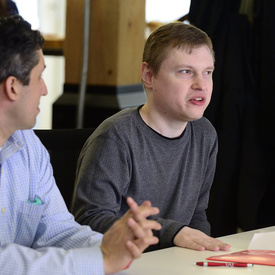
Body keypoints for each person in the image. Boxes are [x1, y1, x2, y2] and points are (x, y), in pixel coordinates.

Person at [0, 15, 161, 274]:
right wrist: (103, 259)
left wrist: (115, 245)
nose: (44, 90)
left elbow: (58, 232)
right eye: (40, 76)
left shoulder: (29, 145)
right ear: (12, 87)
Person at [71, 22, 231, 252]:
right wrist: (171, 232)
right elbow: (89, 221)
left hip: (174, 264)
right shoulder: (115, 138)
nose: (201, 85)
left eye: (207, 72)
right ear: (149, 75)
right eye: (186, 72)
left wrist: (203, 255)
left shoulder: (205, 134)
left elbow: (196, 215)